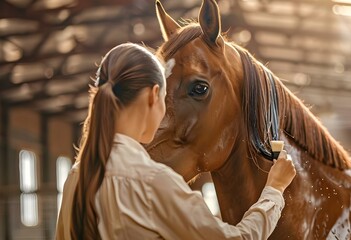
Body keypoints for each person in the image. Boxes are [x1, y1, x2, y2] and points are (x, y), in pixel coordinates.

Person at [55, 43, 296, 240]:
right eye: (165, 101)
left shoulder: (76, 178)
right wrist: (274, 190)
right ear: (153, 96)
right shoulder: (153, 182)